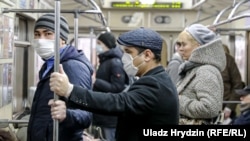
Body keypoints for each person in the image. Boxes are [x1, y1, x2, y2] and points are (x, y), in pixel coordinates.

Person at [49, 27, 179, 141]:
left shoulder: (154, 84)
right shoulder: (155, 79)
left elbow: (117, 102)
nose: (124, 57)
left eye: (128, 52)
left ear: (147, 55)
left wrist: (70, 91)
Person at [27, 13, 93, 141]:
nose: (41, 39)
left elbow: (86, 115)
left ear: (62, 38)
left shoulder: (73, 66)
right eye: (37, 34)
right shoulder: (48, 66)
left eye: (48, 34)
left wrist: (66, 115)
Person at [176, 24, 226, 125]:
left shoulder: (206, 71)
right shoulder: (193, 69)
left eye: (184, 44)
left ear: (198, 46)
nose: (180, 49)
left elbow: (210, 108)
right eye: (179, 45)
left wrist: (178, 101)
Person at [92, 31, 128, 141]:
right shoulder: (105, 60)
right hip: (103, 111)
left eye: (99, 43)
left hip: (110, 114)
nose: (97, 46)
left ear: (106, 44)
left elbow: (117, 88)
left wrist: (95, 82)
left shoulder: (115, 62)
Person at [221, 44, 245, 124]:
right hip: (206, 110)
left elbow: (238, 85)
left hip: (226, 108)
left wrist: (229, 107)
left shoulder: (228, 60)